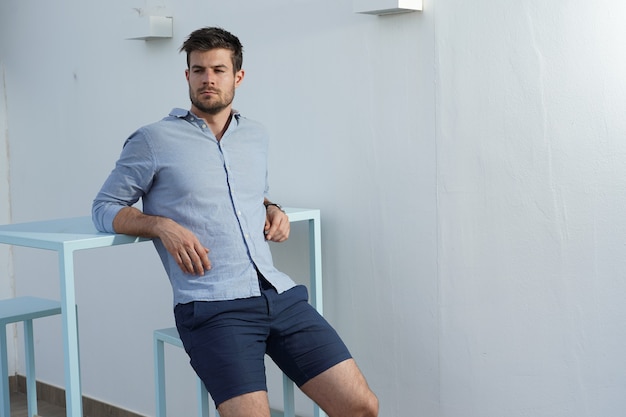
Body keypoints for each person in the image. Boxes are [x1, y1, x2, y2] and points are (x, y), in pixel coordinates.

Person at [92, 27, 378, 417]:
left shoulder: (255, 136)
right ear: (187, 76)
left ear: (237, 76)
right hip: (213, 306)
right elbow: (104, 208)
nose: (208, 78)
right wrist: (160, 225)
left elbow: (246, 193)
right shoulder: (152, 140)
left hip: (278, 294)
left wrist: (272, 206)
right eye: (198, 70)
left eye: (218, 70)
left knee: (361, 406)